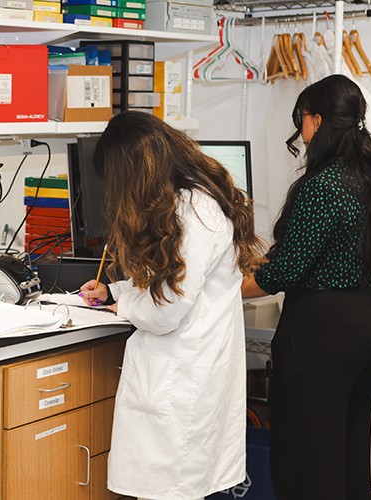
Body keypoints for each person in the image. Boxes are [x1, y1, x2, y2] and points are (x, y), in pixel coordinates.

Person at [79, 111, 261, 500]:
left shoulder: (194, 212)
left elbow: (165, 312)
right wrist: (116, 292)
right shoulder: (195, 200)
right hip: (185, 383)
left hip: (182, 390)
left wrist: (123, 308)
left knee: (172, 490)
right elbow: (171, 280)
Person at [241, 74, 371, 499]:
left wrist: (216, 289)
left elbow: (282, 274)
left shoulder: (320, 186)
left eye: (302, 118)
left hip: (324, 332)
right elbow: (323, 250)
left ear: (318, 121)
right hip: (367, 321)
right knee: (347, 449)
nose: (300, 130)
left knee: (306, 458)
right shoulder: (364, 176)